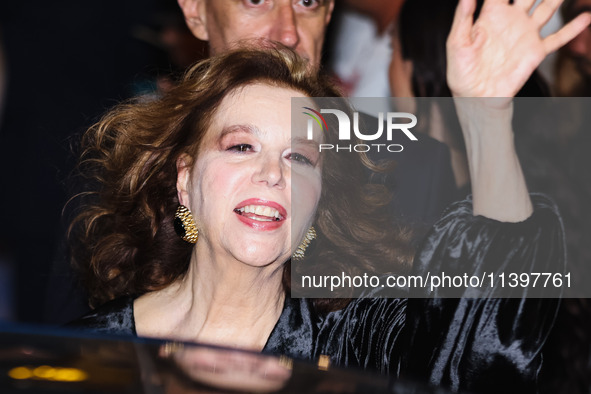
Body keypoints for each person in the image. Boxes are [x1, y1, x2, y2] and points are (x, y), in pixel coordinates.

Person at [68, 0, 590, 392]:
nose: (272, 173)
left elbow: (483, 339)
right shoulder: (91, 354)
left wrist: (486, 120)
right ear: (185, 179)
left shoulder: (358, 348)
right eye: (241, 145)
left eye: (300, 157)